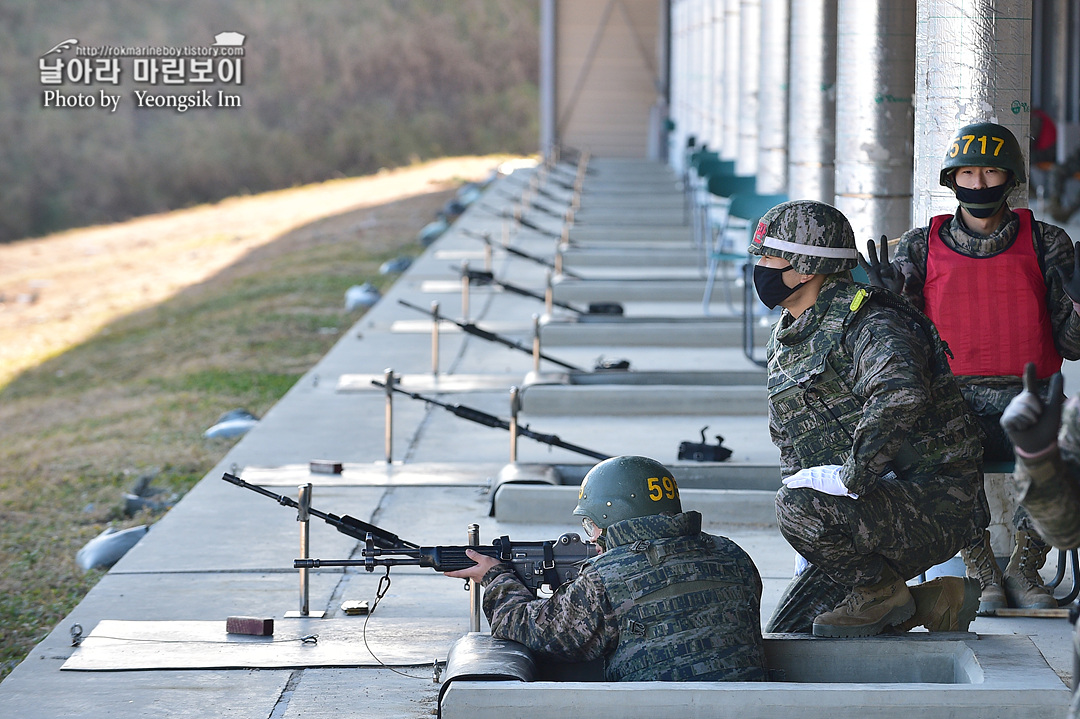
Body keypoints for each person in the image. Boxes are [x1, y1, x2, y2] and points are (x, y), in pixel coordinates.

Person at [862, 121, 1080, 614]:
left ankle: (1026, 565)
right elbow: (908, 350)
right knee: (922, 450)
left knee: (1072, 444)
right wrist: (888, 306)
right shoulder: (919, 246)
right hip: (952, 402)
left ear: (1010, 178)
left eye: (989, 172)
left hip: (1032, 397)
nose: (978, 184)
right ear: (951, 179)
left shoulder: (1048, 242)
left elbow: (1071, 346)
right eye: (967, 173)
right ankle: (979, 566)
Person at [749, 199, 985, 638]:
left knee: (794, 509)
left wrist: (849, 479)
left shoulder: (871, 322)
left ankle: (881, 592)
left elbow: (900, 394)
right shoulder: (790, 336)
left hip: (934, 501)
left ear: (805, 268)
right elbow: (791, 441)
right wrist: (814, 539)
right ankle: (932, 602)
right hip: (863, 512)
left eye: (768, 257)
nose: (759, 267)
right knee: (795, 632)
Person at [445, 455, 768, 682]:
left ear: (616, 518)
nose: (593, 537)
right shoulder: (733, 555)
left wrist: (495, 576)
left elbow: (532, 629)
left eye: (591, 524)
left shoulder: (608, 576)